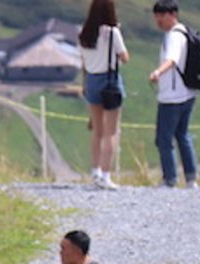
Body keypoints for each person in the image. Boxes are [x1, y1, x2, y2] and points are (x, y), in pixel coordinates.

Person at [79, 0, 130, 190]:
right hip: (109, 81)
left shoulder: (84, 34)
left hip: (91, 80)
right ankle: (106, 175)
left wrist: (84, 84)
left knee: (97, 131)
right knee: (112, 131)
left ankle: (95, 172)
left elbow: (83, 62)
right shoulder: (112, 32)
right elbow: (125, 57)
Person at [149, 0, 198, 189]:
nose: (158, 20)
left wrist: (158, 72)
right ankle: (191, 177)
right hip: (188, 93)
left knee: (164, 138)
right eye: (156, 16)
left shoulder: (173, 36)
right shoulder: (184, 32)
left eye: (161, 16)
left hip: (172, 97)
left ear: (172, 14)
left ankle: (170, 179)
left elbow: (172, 60)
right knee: (182, 135)